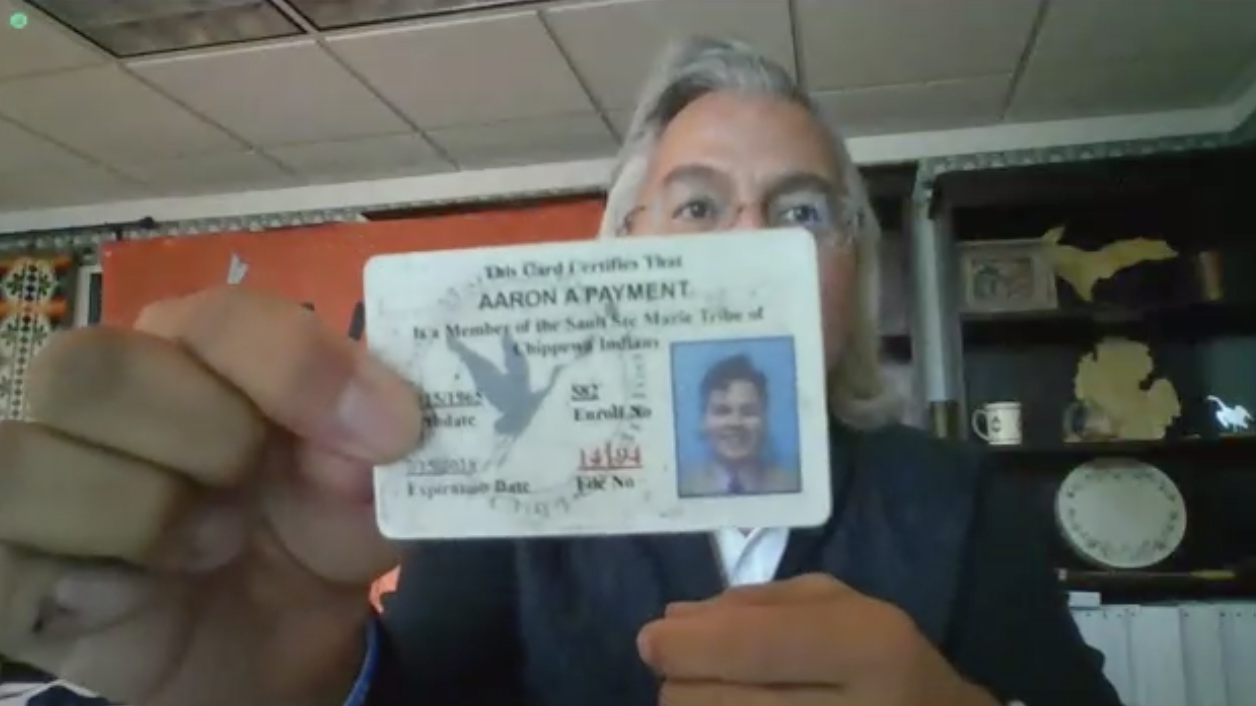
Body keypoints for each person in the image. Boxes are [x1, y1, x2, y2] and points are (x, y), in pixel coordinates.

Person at [0, 36, 1122, 706]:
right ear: (623, 251)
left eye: (801, 212)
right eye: (695, 205)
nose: (748, 242)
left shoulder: (954, 497)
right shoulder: (511, 497)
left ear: (851, 275)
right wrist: (297, 676)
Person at [678, 353, 798, 497]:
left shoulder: (794, 485)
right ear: (702, 422)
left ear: (764, 421)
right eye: (722, 411)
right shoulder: (680, 487)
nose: (735, 422)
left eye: (748, 412)